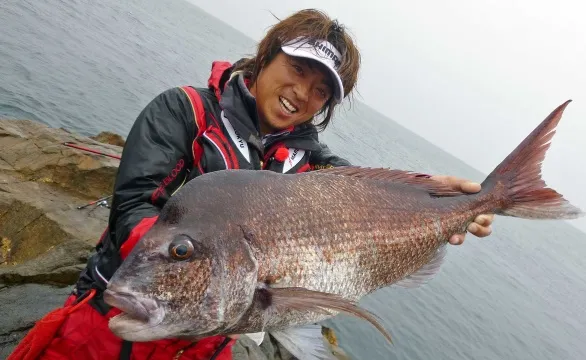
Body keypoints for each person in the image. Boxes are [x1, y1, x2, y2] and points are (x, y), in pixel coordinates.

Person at [10, 8, 493, 360]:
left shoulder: (310, 165)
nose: (302, 92)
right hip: (105, 329)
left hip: (205, 344)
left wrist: (432, 197)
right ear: (265, 57)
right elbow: (135, 205)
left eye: (321, 89)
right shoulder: (183, 111)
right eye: (297, 70)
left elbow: (356, 198)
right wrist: (184, 277)